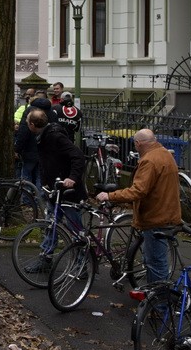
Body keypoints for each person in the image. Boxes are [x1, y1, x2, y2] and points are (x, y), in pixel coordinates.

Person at [97, 128, 181, 284]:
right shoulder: (164, 153)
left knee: (156, 263)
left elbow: (138, 191)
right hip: (167, 212)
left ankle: (159, 302)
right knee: (154, 259)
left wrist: (110, 196)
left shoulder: (149, 160)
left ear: (138, 143)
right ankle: (155, 296)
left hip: (156, 217)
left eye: (134, 145)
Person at [22, 108, 87, 274]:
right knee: (51, 226)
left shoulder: (55, 136)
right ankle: (46, 258)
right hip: (55, 191)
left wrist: (72, 178)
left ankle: (82, 265)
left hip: (68, 193)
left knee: (75, 230)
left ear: (31, 124)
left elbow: (78, 156)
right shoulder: (44, 136)